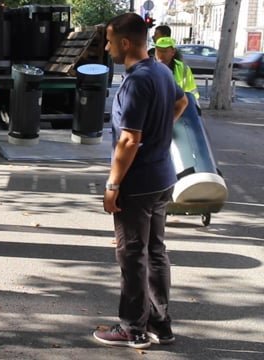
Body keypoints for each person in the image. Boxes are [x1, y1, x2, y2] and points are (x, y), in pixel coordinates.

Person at [92, 13, 188, 349]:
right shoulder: (161, 70)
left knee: (132, 255)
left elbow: (129, 140)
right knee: (156, 252)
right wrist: (160, 133)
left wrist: (113, 185)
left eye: (109, 40)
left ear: (126, 42)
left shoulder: (136, 81)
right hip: (163, 178)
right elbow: (182, 101)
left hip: (138, 183)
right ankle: (161, 326)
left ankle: (132, 328)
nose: (107, 47)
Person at [154, 36, 200, 101]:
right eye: (158, 50)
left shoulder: (183, 69)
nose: (160, 54)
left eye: (164, 51)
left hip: (178, 107)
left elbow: (192, 94)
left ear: (173, 52)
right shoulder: (148, 67)